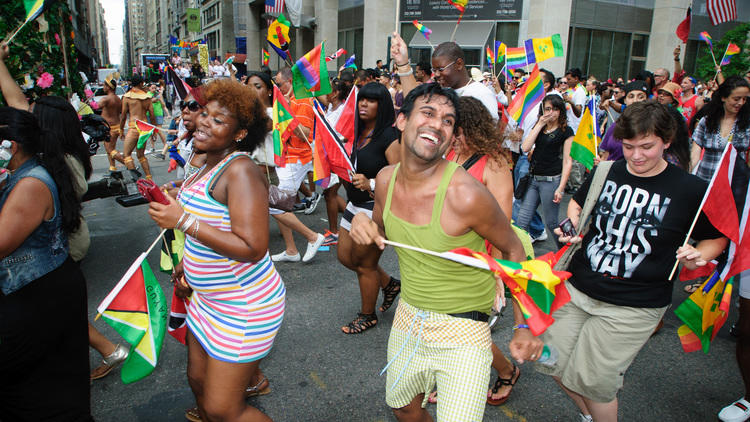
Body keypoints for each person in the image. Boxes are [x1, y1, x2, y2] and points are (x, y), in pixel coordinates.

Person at [349, 82, 536, 422]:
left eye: (448, 121)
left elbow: (513, 247)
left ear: (452, 137)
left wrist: (524, 326)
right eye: (429, 113)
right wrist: (362, 226)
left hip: (465, 331)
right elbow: (376, 240)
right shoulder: (387, 180)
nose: (438, 124)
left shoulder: (466, 195)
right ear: (402, 121)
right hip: (409, 317)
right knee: (403, 407)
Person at [539, 101, 726, 422]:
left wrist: (699, 255)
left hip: (633, 305)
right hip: (576, 288)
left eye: (647, 147)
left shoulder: (691, 189)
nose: (636, 156)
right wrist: (574, 227)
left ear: (667, 142)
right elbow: (578, 206)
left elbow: (717, 236)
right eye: (628, 147)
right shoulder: (605, 171)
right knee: (550, 361)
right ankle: (588, 417)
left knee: (595, 383)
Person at [148, 79, 284, 422]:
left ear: (239, 134)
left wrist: (182, 220)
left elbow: (253, 247)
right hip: (206, 300)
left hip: (244, 307)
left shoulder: (240, 170)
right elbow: (209, 223)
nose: (205, 122)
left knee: (222, 408)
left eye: (219, 121)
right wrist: (185, 263)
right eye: (205, 114)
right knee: (197, 380)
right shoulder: (206, 162)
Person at [0, 107, 92, 421]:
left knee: (39, 388)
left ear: (9, 146)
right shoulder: (21, 174)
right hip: (41, 288)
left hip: (39, 293)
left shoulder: (30, 184)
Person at [445, 96, 525, 406]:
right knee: (447, 322)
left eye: (456, 128)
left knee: (466, 327)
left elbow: (503, 226)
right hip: (448, 254)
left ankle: (506, 371)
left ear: (473, 129)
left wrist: (496, 276)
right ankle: (448, 374)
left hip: (481, 258)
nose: (450, 135)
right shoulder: (445, 154)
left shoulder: (495, 163)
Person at [338, 82, 401, 334]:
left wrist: (371, 182)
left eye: (371, 100)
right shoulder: (354, 131)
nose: (363, 104)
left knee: (365, 264)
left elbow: (399, 178)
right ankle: (388, 284)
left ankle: (368, 315)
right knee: (345, 257)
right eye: (361, 99)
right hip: (353, 203)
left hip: (375, 207)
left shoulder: (389, 137)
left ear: (382, 105)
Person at [269, 68, 325, 263]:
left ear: (291, 81)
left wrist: (286, 116)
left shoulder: (303, 101)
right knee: (282, 207)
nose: (278, 87)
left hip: (297, 158)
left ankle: (312, 236)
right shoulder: (290, 99)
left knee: (276, 206)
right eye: (275, 84)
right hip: (287, 157)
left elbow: (304, 133)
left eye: (280, 84)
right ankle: (291, 250)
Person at [516, 94, 574, 246]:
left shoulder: (566, 131)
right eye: (547, 109)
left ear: (561, 111)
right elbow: (525, 147)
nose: (551, 113)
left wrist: (561, 188)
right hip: (534, 180)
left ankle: (565, 253)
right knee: (521, 221)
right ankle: (517, 256)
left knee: (552, 223)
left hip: (551, 181)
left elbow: (568, 161)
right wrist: (540, 124)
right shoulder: (540, 126)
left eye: (555, 109)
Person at [691, 76, 750, 181]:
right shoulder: (707, 121)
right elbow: (695, 152)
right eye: (736, 99)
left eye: (744, 99)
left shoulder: (747, 124)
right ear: (723, 97)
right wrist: (688, 174)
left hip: (734, 184)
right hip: (705, 181)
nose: (740, 103)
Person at [599, 80, 650, 162]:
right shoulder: (616, 125)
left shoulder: (652, 126)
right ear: (625, 100)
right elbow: (605, 155)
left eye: (640, 97)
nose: (635, 101)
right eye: (631, 96)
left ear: (647, 100)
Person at [120, 74, 155, 180]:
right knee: (141, 155)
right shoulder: (147, 97)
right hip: (144, 129)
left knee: (127, 155)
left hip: (133, 127)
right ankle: (149, 178)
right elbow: (152, 115)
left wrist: (121, 129)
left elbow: (123, 115)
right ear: (141, 83)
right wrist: (154, 131)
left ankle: (136, 179)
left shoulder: (127, 97)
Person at [98, 74, 128, 173]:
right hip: (116, 126)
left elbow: (97, 106)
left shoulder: (106, 99)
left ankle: (128, 164)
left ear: (109, 87)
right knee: (110, 149)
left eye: (104, 85)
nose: (103, 87)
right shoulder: (118, 100)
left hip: (109, 127)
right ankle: (112, 167)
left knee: (110, 149)